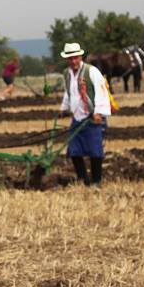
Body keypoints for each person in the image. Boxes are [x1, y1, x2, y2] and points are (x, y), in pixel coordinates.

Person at [59, 42, 111, 186]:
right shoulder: (67, 74)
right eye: (70, 59)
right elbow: (68, 93)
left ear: (80, 56)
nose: (73, 61)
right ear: (67, 60)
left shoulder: (91, 71)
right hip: (77, 117)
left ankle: (96, 181)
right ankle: (83, 179)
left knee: (95, 151)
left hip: (92, 117)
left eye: (75, 58)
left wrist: (99, 112)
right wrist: (64, 108)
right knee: (74, 151)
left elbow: (102, 92)